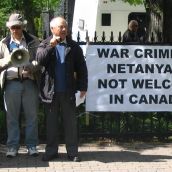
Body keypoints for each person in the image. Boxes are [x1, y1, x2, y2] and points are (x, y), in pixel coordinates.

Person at [36, 16, 88, 162]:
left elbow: (82, 68)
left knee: (70, 124)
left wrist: (83, 87)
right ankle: (51, 152)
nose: (64, 29)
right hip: (50, 92)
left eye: (65, 26)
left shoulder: (74, 46)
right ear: (53, 29)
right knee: (51, 124)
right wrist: (50, 46)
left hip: (68, 91)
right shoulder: (45, 44)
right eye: (61, 26)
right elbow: (39, 60)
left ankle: (72, 153)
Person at [0, 13, 40, 157]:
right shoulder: (3, 43)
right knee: (11, 117)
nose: (15, 30)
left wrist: (31, 66)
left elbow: (39, 61)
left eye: (18, 27)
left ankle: (32, 146)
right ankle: (12, 147)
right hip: (11, 83)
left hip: (29, 82)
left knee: (32, 116)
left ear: (23, 27)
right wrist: (8, 61)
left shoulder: (33, 41)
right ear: (9, 28)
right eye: (12, 28)